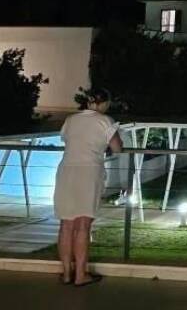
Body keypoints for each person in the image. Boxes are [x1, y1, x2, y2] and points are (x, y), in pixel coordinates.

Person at [54, 88, 123, 287]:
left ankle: (67, 273)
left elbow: (68, 140)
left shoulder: (71, 120)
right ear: (104, 104)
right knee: (83, 224)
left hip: (66, 170)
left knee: (66, 224)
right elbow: (117, 148)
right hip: (89, 172)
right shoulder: (105, 121)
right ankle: (81, 275)